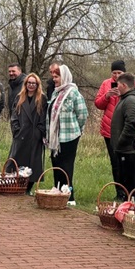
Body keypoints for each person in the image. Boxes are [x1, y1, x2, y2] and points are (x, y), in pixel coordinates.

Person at [46, 63, 88, 204]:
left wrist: (78, 130)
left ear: (64, 77)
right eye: (53, 76)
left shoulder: (73, 93)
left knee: (66, 165)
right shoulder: (56, 92)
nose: (54, 79)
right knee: (56, 164)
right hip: (55, 137)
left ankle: (69, 195)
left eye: (57, 77)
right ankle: (58, 190)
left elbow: (82, 114)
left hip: (69, 135)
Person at [95, 60, 133, 182]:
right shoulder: (106, 84)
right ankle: (118, 188)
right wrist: (107, 96)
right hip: (109, 129)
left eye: (119, 73)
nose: (116, 76)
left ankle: (128, 187)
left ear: (124, 72)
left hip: (125, 129)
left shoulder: (132, 82)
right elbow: (98, 104)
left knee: (127, 161)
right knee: (115, 161)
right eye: (114, 73)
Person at [8, 72, 46, 192]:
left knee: (33, 162)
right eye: (29, 83)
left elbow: (44, 118)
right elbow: (14, 115)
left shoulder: (42, 98)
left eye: (34, 83)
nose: (31, 85)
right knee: (16, 160)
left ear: (37, 85)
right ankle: (16, 185)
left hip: (34, 136)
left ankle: (28, 187)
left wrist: (39, 132)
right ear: (25, 84)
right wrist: (16, 130)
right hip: (21, 135)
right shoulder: (19, 97)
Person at [109, 73, 135, 198]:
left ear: (124, 85)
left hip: (128, 150)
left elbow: (132, 124)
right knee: (124, 183)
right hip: (122, 150)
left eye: (118, 84)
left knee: (130, 184)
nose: (116, 87)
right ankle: (127, 204)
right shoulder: (125, 98)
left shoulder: (131, 100)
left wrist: (120, 142)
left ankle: (132, 206)